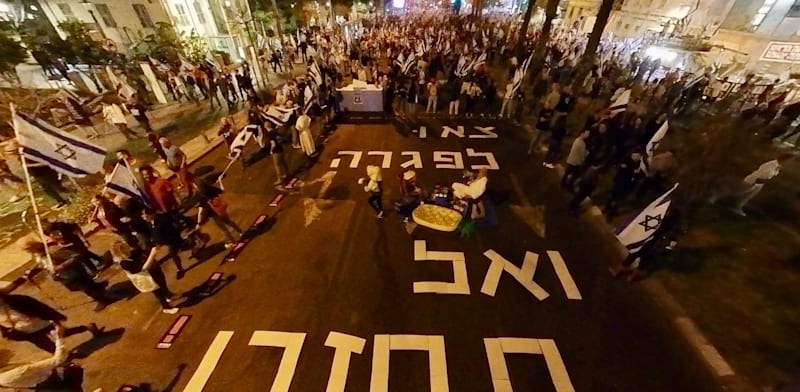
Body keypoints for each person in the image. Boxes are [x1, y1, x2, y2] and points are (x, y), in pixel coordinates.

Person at [0, 292, 101, 353]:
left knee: (64, 333)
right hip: (26, 333)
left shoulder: (17, 300)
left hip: (41, 323)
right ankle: (67, 357)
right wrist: (7, 333)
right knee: (47, 346)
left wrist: (55, 317)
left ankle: (87, 327)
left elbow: (40, 307)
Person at [0, 325, 84, 390]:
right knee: (76, 371)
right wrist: (59, 337)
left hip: (41, 383)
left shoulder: (4, 372)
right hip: (51, 380)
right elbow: (59, 359)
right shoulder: (15, 371)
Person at [111, 241, 179, 314]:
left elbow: (144, 252)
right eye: (125, 247)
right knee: (157, 291)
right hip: (147, 277)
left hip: (154, 271)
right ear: (121, 251)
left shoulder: (133, 252)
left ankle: (168, 295)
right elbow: (143, 268)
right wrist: (152, 255)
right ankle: (166, 307)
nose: (128, 247)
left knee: (162, 282)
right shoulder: (124, 263)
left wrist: (152, 249)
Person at [141, 209, 188, 280]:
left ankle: (180, 269)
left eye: (146, 216)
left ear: (152, 214)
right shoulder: (149, 222)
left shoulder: (163, 219)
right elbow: (153, 232)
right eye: (143, 217)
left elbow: (171, 231)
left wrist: (167, 241)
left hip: (172, 240)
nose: (145, 219)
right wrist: (155, 241)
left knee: (173, 253)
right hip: (161, 241)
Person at [195, 182, 242, 248]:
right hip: (221, 210)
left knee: (223, 228)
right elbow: (222, 191)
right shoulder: (212, 189)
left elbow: (201, 212)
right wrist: (220, 182)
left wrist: (199, 223)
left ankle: (232, 241)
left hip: (214, 215)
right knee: (229, 221)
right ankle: (240, 231)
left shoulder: (202, 197)